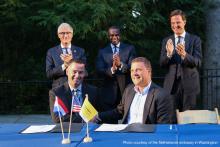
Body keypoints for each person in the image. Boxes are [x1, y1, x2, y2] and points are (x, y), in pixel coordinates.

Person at [93, 57, 173, 124]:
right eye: (132, 70)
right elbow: (119, 111)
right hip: (125, 135)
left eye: (138, 70)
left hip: (146, 139)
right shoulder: (129, 90)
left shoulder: (162, 95)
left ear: (148, 72)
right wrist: (98, 116)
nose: (134, 73)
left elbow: (162, 128)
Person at [160, 9, 202, 112]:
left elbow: (198, 62)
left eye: (178, 22)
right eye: (172, 23)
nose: (175, 25)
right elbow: (161, 63)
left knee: (188, 120)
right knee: (171, 118)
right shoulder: (167, 41)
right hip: (171, 87)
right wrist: (169, 54)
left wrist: (184, 54)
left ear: (184, 22)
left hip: (190, 87)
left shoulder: (195, 39)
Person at [96, 26, 136, 118]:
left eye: (116, 35)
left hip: (126, 91)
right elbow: (99, 69)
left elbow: (132, 67)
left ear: (120, 35)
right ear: (108, 36)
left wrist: (120, 64)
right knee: (109, 122)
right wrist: (112, 69)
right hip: (108, 93)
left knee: (127, 120)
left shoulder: (129, 49)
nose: (114, 37)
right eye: (111, 35)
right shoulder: (102, 52)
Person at [46, 23, 86, 89]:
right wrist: (64, 65)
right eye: (62, 33)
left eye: (68, 33)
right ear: (58, 35)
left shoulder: (80, 51)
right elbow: (49, 74)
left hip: (77, 88)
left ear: (72, 34)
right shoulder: (51, 52)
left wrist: (71, 62)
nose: (65, 36)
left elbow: (86, 72)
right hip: (58, 89)